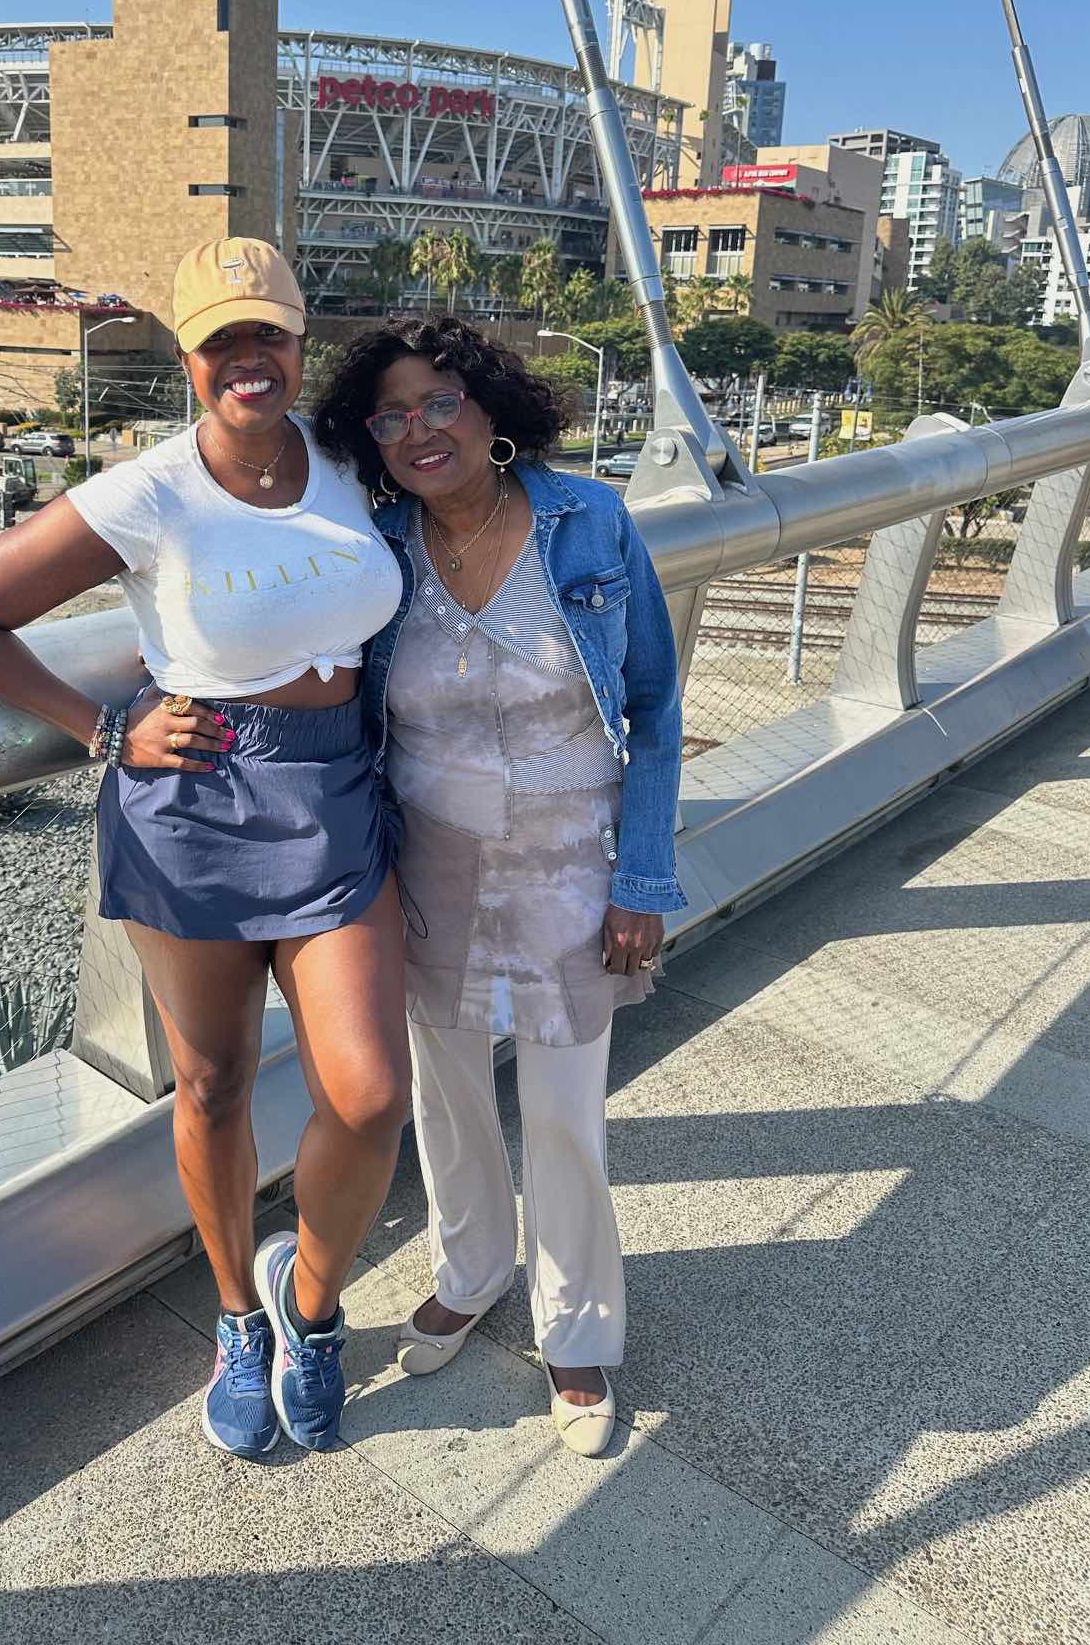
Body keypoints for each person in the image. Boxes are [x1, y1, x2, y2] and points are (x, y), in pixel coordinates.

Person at [0, 238, 409, 1459]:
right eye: (221, 341)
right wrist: (101, 728)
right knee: (214, 1084)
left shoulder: (350, 462)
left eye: (271, 336)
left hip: (338, 790)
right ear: (188, 358)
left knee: (368, 1091)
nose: (250, 359)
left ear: (302, 344)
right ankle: (238, 1316)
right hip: (193, 802)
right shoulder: (147, 490)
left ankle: (314, 1303)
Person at [314, 316, 684, 1458]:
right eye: (390, 413)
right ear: (367, 439)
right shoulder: (377, 549)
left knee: (566, 1110)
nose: (418, 429)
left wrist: (643, 877)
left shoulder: (593, 524)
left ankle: (577, 1327)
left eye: (439, 403)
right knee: (447, 1090)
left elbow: (656, 710)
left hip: (576, 862)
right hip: (426, 863)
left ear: (489, 410)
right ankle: (471, 1269)